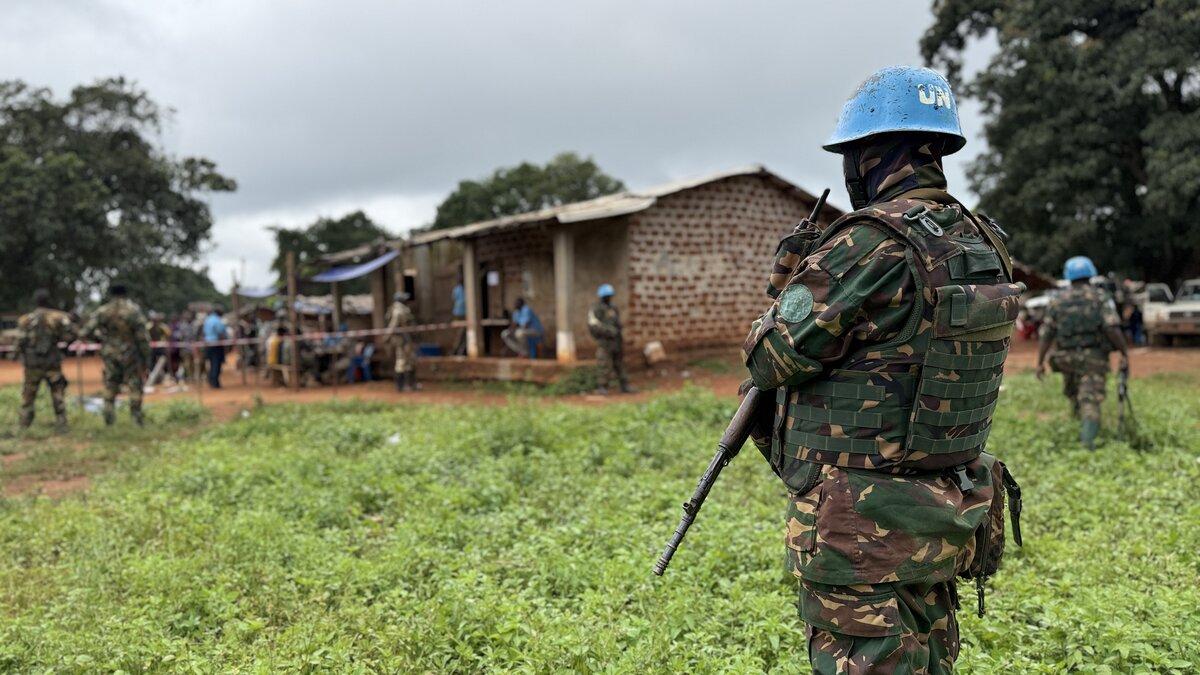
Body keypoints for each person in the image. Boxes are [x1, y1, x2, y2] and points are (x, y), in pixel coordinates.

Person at [741, 66, 1020, 673]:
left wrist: (787, 277)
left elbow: (769, 358)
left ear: (869, 155)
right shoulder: (984, 241)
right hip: (945, 512)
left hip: (861, 530)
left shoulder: (869, 244)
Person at [1035, 256, 1129, 450]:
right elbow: (1111, 327)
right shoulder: (1100, 297)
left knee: (1074, 393)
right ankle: (1088, 444)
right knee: (1090, 399)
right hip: (1093, 358)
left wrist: (1040, 361)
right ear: (1091, 274)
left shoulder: (1057, 300)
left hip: (1065, 358)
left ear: (1068, 276)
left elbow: (1047, 333)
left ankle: (1077, 427)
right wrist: (1124, 352)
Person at [83, 284, 151, 426]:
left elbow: (86, 331)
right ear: (126, 294)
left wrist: (102, 340)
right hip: (130, 353)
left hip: (110, 353)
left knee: (110, 383)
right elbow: (142, 337)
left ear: (111, 294)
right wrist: (146, 357)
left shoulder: (103, 311)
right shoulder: (133, 310)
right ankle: (136, 420)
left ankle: (109, 419)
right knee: (134, 384)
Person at [16, 289, 76, 433]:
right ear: (48, 301)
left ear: (35, 301)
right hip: (52, 361)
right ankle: (62, 423)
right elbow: (72, 334)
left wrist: (20, 355)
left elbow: (20, 342)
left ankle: (24, 423)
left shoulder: (25, 320)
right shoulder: (59, 317)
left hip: (32, 363)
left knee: (29, 393)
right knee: (57, 392)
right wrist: (64, 349)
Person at [587, 283, 633, 394]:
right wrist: (608, 331)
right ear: (602, 296)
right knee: (604, 364)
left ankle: (624, 385)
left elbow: (617, 323)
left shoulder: (613, 308)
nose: (608, 298)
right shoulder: (596, 309)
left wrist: (618, 332)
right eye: (606, 296)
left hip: (616, 341)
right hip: (604, 342)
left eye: (610, 295)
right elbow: (593, 325)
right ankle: (602, 387)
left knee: (619, 364)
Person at [386, 291, 419, 391]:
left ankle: (409, 385)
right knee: (402, 361)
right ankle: (400, 386)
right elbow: (393, 325)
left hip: (405, 338)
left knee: (410, 360)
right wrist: (387, 337)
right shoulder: (399, 311)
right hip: (402, 339)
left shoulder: (401, 309)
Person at [202, 306, 228, 389]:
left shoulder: (207, 320)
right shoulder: (217, 320)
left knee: (212, 363)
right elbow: (221, 333)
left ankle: (211, 380)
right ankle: (215, 382)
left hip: (208, 344)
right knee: (216, 364)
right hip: (216, 344)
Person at [146, 311, 171, 385]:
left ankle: (167, 375)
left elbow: (168, 334)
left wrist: (166, 343)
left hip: (161, 346)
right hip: (152, 347)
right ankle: (152, 376)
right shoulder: (148, 327)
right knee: (151, 361)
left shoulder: (162, 326)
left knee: (164, 360)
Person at [451, 276, 467, 355]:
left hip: (459, 312)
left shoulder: (458, 289)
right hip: (461, 313)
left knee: (462, 333)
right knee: (460, 333)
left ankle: (459, 350)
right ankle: (456, 350)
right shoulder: (461, 289)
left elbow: (453, 299)